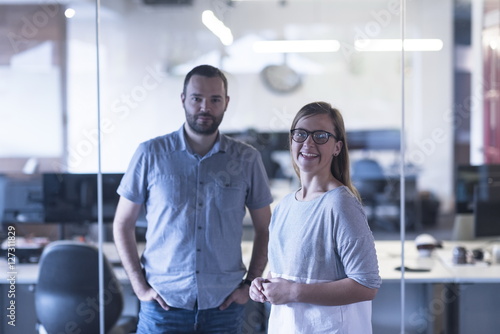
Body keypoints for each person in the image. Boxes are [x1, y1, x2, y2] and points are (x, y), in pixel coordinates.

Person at [113, 64, 273, 334]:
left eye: (214, 100)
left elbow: (266, 227)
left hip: (224, 307)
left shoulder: (246, 159)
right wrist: (139, 287)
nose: (205, 107)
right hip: (163, 308)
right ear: (183, 99)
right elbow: (122, 224)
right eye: (197, 98)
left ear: (226, 103)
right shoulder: (150, 154)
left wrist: (250, 284)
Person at [250, 101, 381, 333]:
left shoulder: (340, 204)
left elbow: (366, 284)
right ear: (291, 141)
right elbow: (287, 273)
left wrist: (292, 292)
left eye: (320, 135)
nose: (308, 143)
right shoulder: (284, 206)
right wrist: (263, 285)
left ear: (337, 147)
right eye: (300, 134)